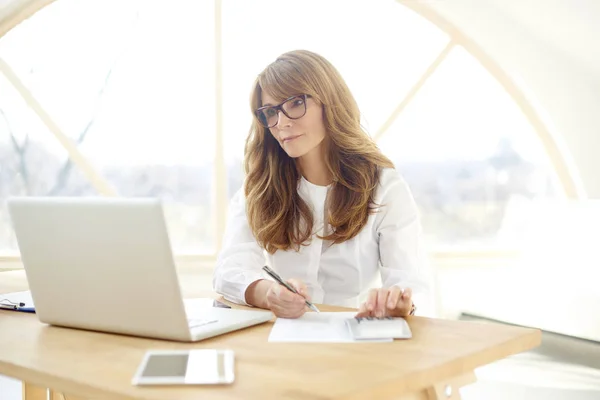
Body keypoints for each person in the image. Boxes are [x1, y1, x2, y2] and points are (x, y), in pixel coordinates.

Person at [213, 49, 433, 319]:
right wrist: (269, 293)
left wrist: (398, 301)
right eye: (270, 112)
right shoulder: (261, 186)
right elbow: (229, 270)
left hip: (355, 338)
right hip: (283, 336)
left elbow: (411, 281)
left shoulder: (384, 186)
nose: (281, 122)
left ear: (330, 102)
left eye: (295, 103)